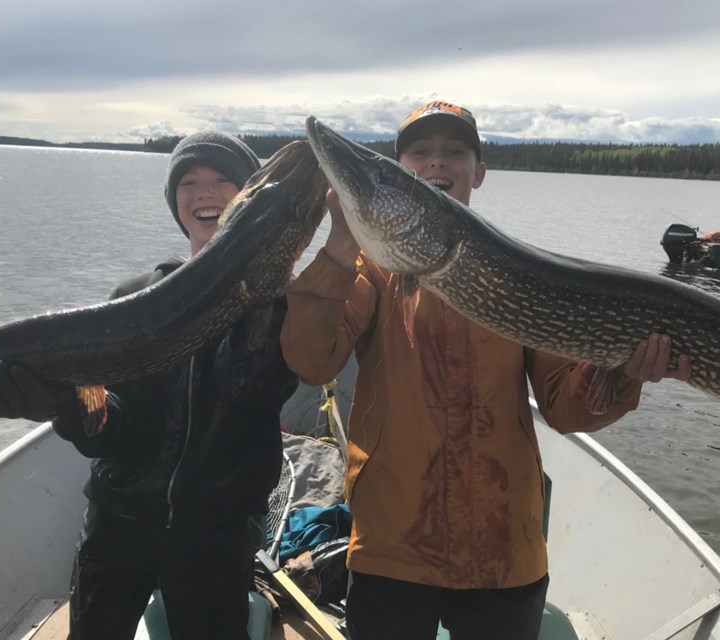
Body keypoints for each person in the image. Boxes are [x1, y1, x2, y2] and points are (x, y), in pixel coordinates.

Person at [279, 100, 692, 640]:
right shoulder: (370, 273)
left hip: (505, 549)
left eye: (454, 152)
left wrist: (622, 374)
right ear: (403, 171)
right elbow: (311, 362)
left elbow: (566, 408)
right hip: (390, 548)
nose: (436, 164)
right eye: (419, 153)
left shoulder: (522, 272)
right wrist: (337, 247)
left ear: (478, 172)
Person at [0, 131, 298, 640]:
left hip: (216, 534)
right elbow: (109, 429)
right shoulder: (133, 298)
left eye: (223, 178)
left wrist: (268, 292)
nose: (205, 191)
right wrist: (65, 403)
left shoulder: (281, 306)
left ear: (249, 198)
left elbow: (254, 391)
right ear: (174, 201)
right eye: (189, 181)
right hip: (117, 524)